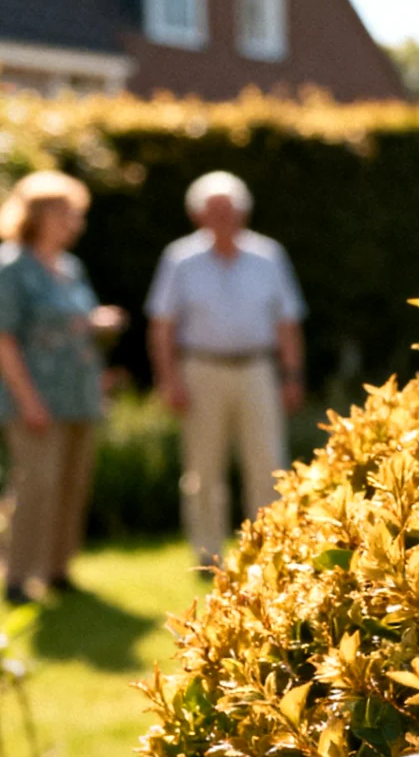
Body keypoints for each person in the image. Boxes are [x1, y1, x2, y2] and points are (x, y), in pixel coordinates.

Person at [146, 172, 306, 565]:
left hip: (257, 370)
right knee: (203, 467)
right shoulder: (179, 259)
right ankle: (207, 554)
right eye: (214, 209)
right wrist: (169, 381)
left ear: (244, 211)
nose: (223, 216)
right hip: (200, 370)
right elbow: (162, 326)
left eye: (230, 208)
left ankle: (270, 551)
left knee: (267, 463)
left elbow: (287, 323)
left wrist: (292, 376)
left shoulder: (269, 256)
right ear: (197, 214)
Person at [0, 172, 127, 603]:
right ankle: (18, 577)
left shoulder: (71, 267)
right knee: (37, 486)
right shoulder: (11, 267)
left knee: (72, 485)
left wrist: (98, 323)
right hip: (34, 399)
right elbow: (4, 338)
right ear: (39, 215)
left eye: (75, 214)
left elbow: (77, 319)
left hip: (79, 395)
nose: (74, 222)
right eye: (66, 213)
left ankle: (57, 569)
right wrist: (29, 401)